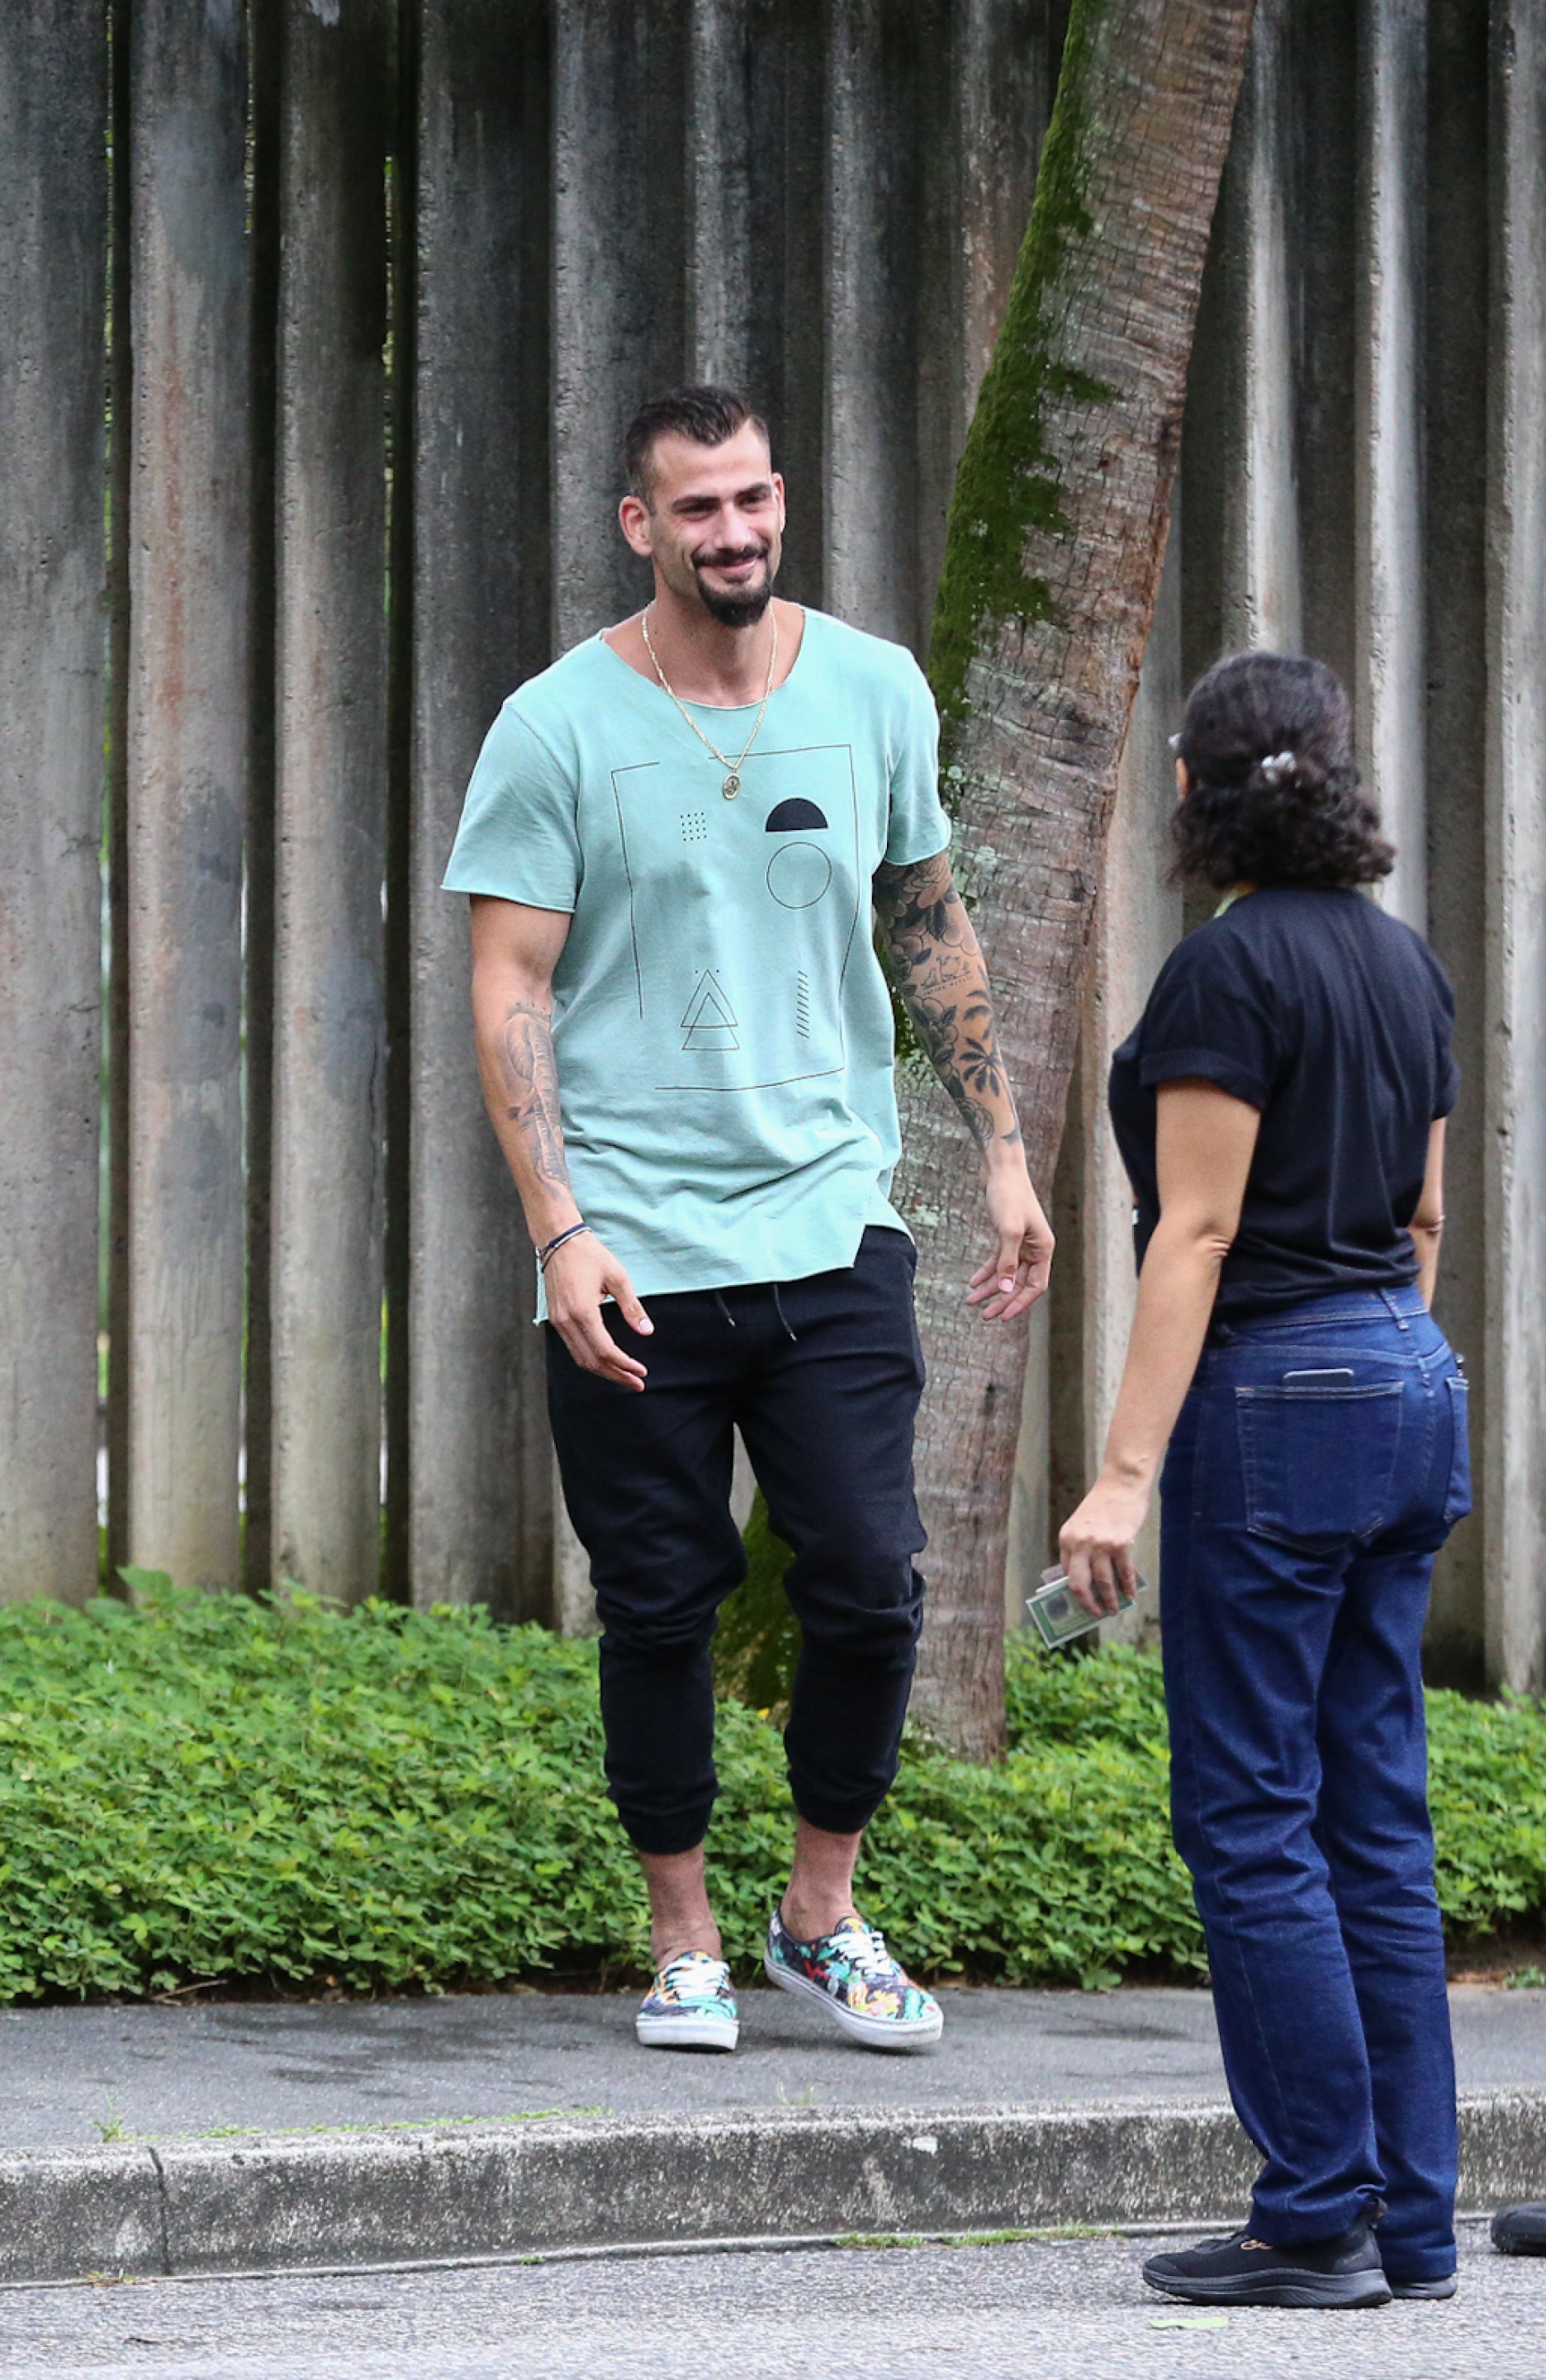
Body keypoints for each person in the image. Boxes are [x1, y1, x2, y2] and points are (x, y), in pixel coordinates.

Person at [443, 385, 1053, 2054]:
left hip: (831, 1221)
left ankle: (820, 1913)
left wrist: (1003, 1154)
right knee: (660, 1599)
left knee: (867, 1575)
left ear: (783, 500)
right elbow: (508, 980)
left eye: (756, 497)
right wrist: (560, 1225)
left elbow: (926, 917)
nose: (736, 531)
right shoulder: (556, 727)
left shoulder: (873, 689)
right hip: (631, 1246)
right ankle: (683, 1936)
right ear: (640, 525)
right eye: (699, 506)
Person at [1057, 650, 1469, 2307]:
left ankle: (1313, 2212)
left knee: (1249, 1810)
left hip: (1282, 1389)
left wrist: (1122, 1473)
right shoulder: (1407, 963)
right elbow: (1423, 1223)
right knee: (1375, 1808)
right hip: (1407, 1373)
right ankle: (1411, 2218)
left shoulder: (1224, 974)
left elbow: (1201, 1230)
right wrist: (1378, 1373)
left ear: (1193, 787)